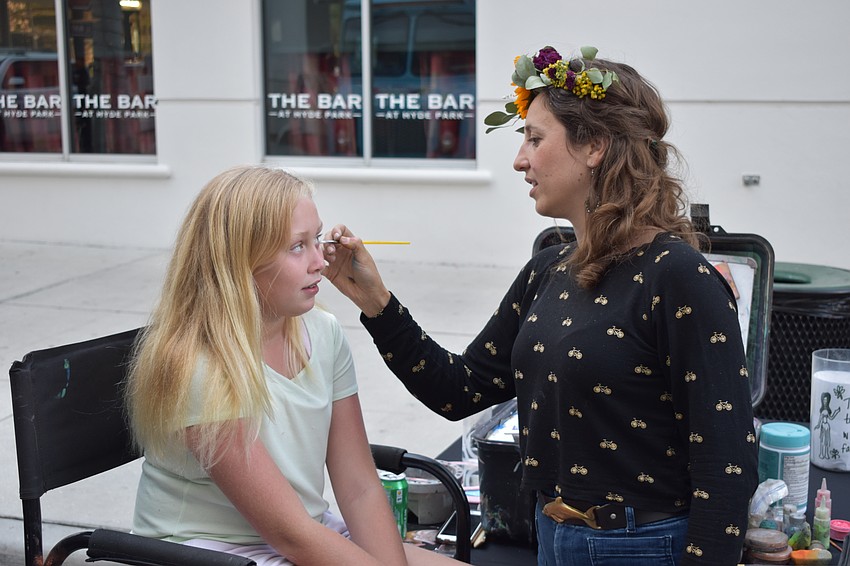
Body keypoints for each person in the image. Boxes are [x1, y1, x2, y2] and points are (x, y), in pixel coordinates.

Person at [323, 45, 758, 565]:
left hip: (646, 548)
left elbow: (727, 469)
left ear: (595, 145)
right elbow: (459, 390)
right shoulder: (549, 269)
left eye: (534, 137)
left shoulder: (679, 276)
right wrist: (376, 303)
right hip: (552, 538)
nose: (519, 159)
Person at [125, 165, 458, 566]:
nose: (320, 261)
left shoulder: (323, 332)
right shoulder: (201, 364)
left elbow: (359, 488)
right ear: (238, 261)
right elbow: (288, 533)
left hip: (302, 531)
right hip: (206, 550)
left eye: (316, 239)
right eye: (297, 246)